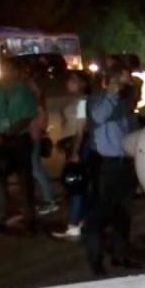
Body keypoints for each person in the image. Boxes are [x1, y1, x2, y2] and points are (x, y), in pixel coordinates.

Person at [82, 66, 139, 276]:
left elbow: (131, 132)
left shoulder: (125, 103)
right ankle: (95, 261)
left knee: (123, 213)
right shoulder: (97, 100)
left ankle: (120, 255)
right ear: (111, 82)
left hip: (124, 163)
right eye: (124, 82)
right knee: (98, 216)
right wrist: (111, 93)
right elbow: (98, 117)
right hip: (105, 164)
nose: (128, 86)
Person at [0, 61, 40, 234]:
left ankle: (29, 219)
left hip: (18, 140)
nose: (5, 73)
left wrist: (9, 134)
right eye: (4, 70)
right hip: (1, 141)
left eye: (9, 70)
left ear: (17, 71)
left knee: (24, 181)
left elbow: (28, 117)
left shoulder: (24, 91)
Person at [53, 71, 90, 240]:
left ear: (81, 83)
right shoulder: (80, 100)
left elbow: (81, 129)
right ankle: (81, 220)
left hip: (78, 146)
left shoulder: (83, 102)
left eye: (72, 81)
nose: (68, 83)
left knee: (75, 185)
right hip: (75, 145)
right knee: (79, 185)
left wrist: (75, 151)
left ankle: (74, 224)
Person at [28, 75, 58, 216]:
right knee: (34, 170)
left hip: (33, 138)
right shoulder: (36, 103)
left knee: (36, 170)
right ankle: (46, 198)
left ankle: (50, 200)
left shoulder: (36, 105)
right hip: (32, 138)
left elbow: (41, 123)